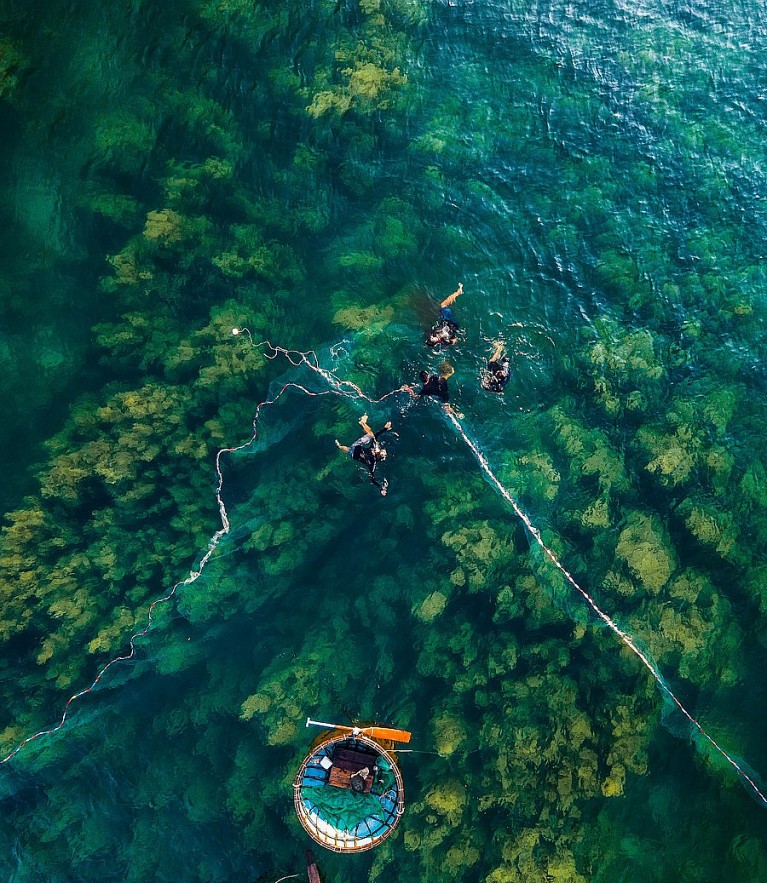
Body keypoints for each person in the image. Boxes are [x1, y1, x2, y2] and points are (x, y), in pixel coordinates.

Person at [335, 414, 393, 495]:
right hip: (353, 455)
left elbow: (375, 436)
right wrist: (381, 488)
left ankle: (362, 422)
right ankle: (339, 446)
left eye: (382, 452)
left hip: (356, 447)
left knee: (371, 435)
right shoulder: (373, 464)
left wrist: (385, 429)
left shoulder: (373, 449)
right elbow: (372, 478)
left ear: (378, 452)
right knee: (349, 450)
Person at [425, 283, 464, 348]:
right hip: (451, 322)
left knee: (442, 309)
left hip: (447, 322)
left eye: (430, 338)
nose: (431, 337)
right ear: (436, 342)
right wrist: (450, 342)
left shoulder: (434, 335)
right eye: (432, 339)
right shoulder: (445, 340)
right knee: (443, 305)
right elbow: (455, 340)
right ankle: (459, 292)